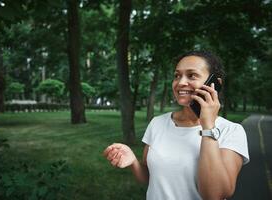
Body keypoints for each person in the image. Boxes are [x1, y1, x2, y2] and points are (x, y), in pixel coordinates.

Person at [103, 50, 249, 200]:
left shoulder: (231, 131)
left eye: (192, 75)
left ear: (215, 84)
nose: (180, 83)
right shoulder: (157, 123)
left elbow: (215, 195)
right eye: (177, 76)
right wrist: (133, 161)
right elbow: (150, 178)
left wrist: (208, 127)